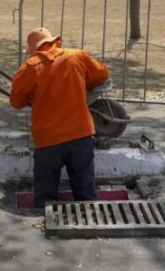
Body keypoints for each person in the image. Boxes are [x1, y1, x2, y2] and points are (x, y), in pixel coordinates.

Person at [9, 27, 109, 209]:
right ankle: (89, 220)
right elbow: (102, 74)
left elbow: (16, 102)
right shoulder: (77, 56)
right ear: (54, 41)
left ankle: (43, 222)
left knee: (45, 194)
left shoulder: (30, 67)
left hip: (48, 140)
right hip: (80, 134)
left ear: (34, 49)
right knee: (85, 189)